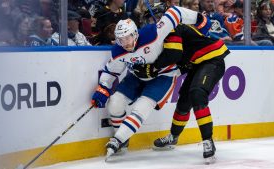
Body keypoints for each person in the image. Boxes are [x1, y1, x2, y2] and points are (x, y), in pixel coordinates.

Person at [90, 6, 207, 160]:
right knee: (115, 103)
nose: (124, 43)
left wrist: (198, 18)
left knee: (142, 107)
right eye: (120, 39)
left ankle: (118, 139)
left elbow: (174, 13)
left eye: (127, 38)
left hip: (163, 76)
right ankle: (122, 140)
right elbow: (112, 70)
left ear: (135, 34)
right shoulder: (119, 50)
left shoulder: (152, 34)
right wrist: (103, 87)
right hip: (136, 76)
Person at [132, 6, 230, 164]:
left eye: (152, 19)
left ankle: (208, 140)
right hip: (197, 63)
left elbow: (173, 55)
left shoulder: (171, 29)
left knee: (197, 94)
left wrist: (153, 68)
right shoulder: (160, 37)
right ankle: (173, 137)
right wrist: (153, 69)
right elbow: (175, 61)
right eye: (148, 20)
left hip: (212, 59)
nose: (151, 23)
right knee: (184, 100)